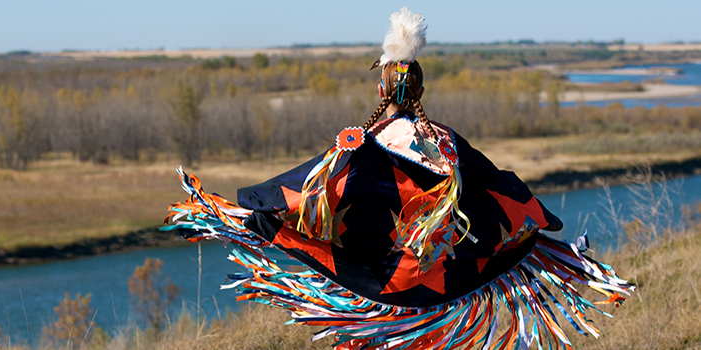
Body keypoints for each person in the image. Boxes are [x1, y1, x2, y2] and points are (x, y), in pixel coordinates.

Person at [163, 7, 632, 349]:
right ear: (421, 91)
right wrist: (538, 228)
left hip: (386, 284)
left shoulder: (359, 148)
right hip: (444, 281)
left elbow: (304, 190)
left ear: (379, 87)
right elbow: (500, 190)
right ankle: (572, 261)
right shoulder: (448, 143)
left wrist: (253, 209)